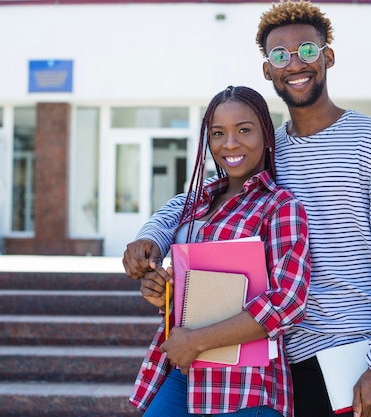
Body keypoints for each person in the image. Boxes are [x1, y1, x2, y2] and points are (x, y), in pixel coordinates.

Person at [124, 1, 371, 416]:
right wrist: (152, 235)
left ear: (327, 57)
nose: (295, 63)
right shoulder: (269, 147)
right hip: (278, 352)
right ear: (268, 70)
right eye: (280, 55)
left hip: (350, 351)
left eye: (307, 50)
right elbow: (196, 202)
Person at [128, 85, 311, 417]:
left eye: (243, 130)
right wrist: (165, 293)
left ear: (266, 135)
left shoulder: (280, 206)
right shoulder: (200, 199)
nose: (230, 143)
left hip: (244, 384)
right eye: (218, 133)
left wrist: (197, 341)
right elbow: (170, 230)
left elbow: (287, 301)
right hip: (188, 371)